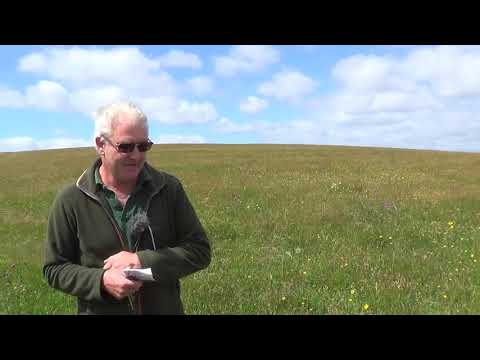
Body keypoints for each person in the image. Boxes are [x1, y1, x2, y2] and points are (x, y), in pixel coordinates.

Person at [43, 101, 211, 315]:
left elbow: (199, 251)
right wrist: (101, 280)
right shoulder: (71, 199)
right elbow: (54, 269)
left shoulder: (168, 189)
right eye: (125, 146)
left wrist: (142, 260)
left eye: (143, 146)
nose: (137, 155)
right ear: (100, 144)